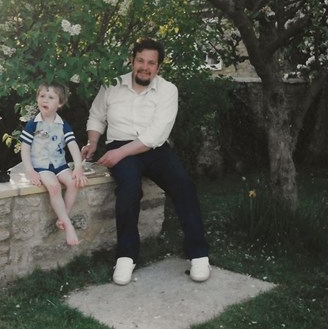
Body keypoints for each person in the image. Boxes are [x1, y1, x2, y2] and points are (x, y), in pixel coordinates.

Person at [81, 38, 211, 285]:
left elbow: (155, 135)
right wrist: (93, 143)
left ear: (158, 67)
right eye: (140, 60)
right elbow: (97, 116)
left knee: (184, 185)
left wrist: (119, 155)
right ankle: (126, 257)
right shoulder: (112, 85)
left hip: (153, 148)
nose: (145, 66)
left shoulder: (168, 90)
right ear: (132, 60)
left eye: (151, 63)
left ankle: (199, 254)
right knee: (129, 189)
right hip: (119, 143)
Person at [20, 82, 89, 246]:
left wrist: (78, 167)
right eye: (42, 96)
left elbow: (72, 146)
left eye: (51, 97)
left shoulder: (63, 125)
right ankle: (69, 225)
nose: (45, 100)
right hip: (41, 167)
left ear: (60, 103)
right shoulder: (33, 124)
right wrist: (30, 170)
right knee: (54, 187)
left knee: (73, 183)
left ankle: (62, 218)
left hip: (60, 165)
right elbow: (24, 149)